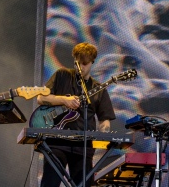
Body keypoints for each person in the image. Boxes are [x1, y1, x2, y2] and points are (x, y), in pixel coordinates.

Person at [36, 42, 116, 187]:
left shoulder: (98, 88)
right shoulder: (62, 75)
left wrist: (105, 132)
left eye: (84, 64)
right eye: (77, 63)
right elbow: (40, 98)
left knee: (84, 184)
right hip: (57, 142)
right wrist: (64, 100)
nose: (80, 67)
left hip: (83, 146)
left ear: (92, 62)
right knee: (50, 182)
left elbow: (105, 120)